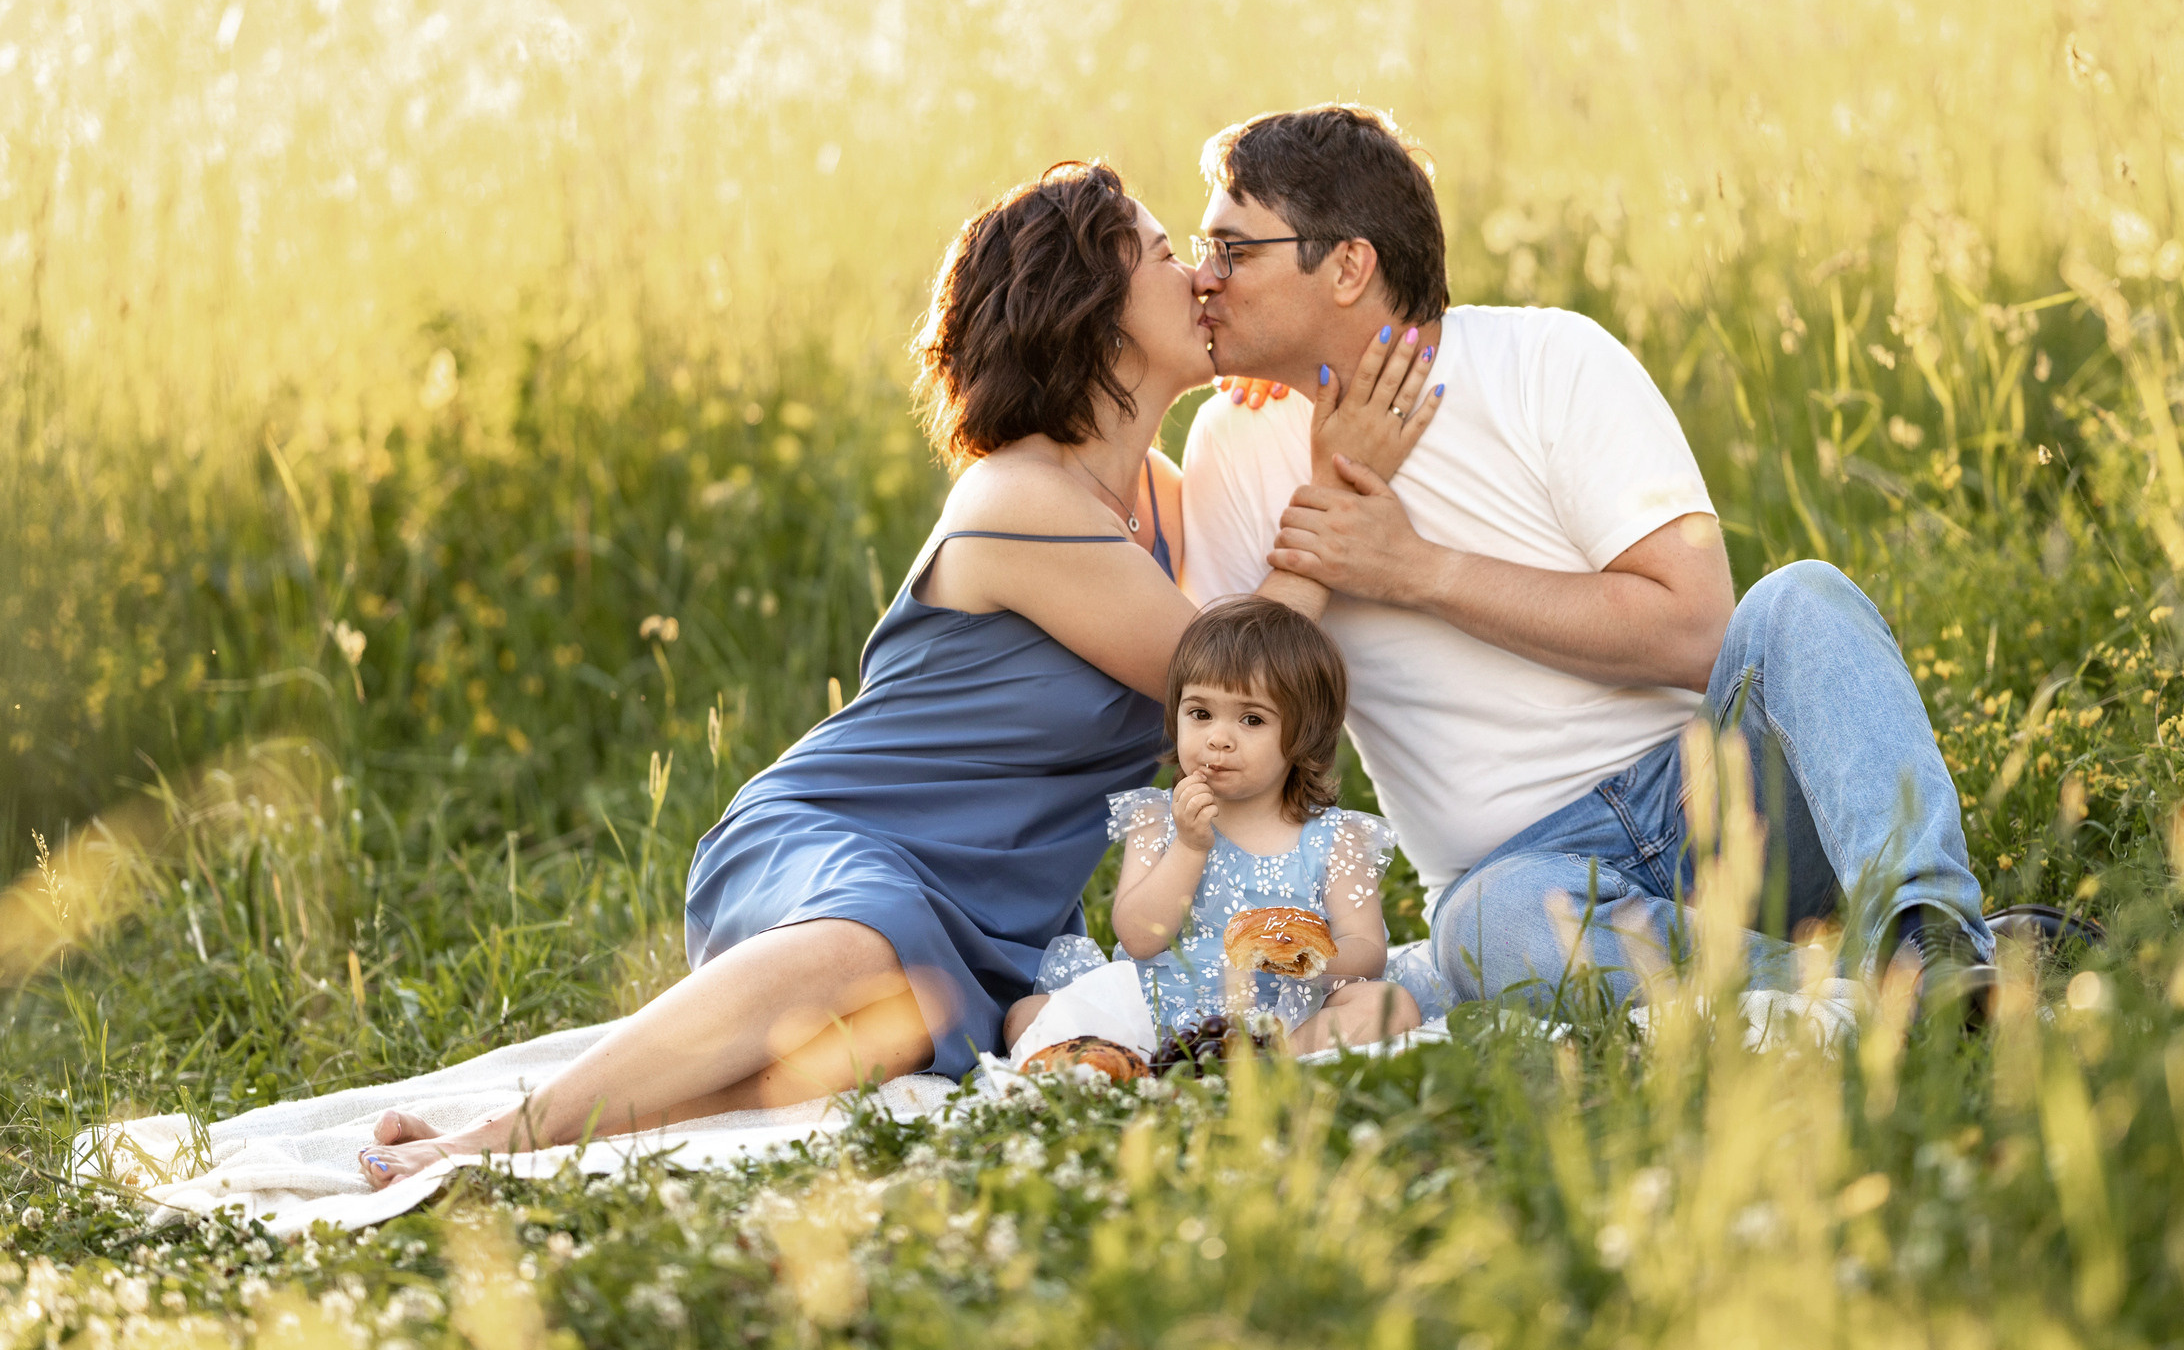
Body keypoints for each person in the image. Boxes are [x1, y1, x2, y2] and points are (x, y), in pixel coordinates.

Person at [362, 161, 1441, 1189]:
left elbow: (1246, 701)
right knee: (861, 952)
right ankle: (491, 1138)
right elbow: (1232, 678)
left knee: (858, 1057)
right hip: (842, 840)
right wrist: (1340, 484)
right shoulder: (1018, 498)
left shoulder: (1159, 493)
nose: (1203, 275)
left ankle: (538, 1129)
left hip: (995, 915)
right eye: (1166, 255)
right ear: (1096, 311)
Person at [1175, 104, 1996, 1022]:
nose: (1200, 281)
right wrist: (1334, 504)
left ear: (1348, 265)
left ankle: (1934, 938)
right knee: (1482, 929)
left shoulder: (1549, 360)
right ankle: (1869, 992)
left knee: (1803, 600)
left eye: (1232, 252)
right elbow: (1227, 732)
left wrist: (1418, 570)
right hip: (1526, 881)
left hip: (1712, 797)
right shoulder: (1234, 442)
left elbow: (1693, 631)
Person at [1004, 597, 1418, 1058]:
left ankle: (1266, 1063)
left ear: (1305, 735)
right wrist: (1189, 847)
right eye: (1201, 713)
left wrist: (1304, 956)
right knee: (1027, 1015)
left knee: (1388, 1004)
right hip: (1153, 1015)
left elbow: (1367, 952)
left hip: (1281, 1019)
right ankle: (1137, 1065)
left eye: (1252, 719)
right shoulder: (1158, 820)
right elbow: (1139, 939)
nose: (1218, 737)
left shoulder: (1334, 838)